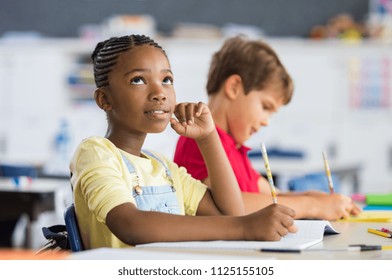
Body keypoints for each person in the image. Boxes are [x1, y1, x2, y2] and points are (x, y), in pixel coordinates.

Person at [70, 34, 297, 249]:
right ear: (104, 99)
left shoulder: (163, 167)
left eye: (166, 79)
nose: (160, 92)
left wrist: (209, 138)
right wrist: (244, 227)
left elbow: (230, 212)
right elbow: (130, 224)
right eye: (138, 80)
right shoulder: (96, 153)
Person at [174, 35, 361, 221]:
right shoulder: (201, 141)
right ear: (234, 87)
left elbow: (271, 194)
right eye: (265, 107)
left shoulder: (234, 146)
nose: (266, 121)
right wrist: (312, 206)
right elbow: (231, 206)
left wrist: (316, 198)